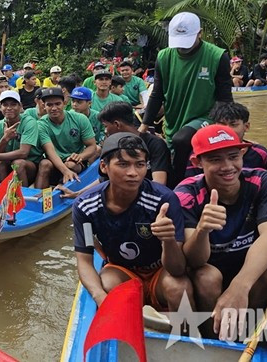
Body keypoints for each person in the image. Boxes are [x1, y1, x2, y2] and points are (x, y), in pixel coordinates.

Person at [176, 125, 267, 340]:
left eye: (233, 157)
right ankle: (214, 337)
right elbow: (194, 260)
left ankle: (245, 329)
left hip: (246, 265)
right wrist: (202, 230)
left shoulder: (263, 181)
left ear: (242, 154)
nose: (227, 167)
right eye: (215, 159)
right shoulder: (186, 194)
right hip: (209, 267)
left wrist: (239, 286)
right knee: (208, 278)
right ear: (197, 163)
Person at [72, 133, 189, 310]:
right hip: (122, 270)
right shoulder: (85, 206)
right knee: (107, 283)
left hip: (161, 271)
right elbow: (85, 260)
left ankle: (181, 326)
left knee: (179, 288)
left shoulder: (163, 200)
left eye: (140, 165)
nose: (133, 173)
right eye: (123, 164)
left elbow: (178, 268)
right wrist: (101, 297)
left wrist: (169, 239)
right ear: (104, 166)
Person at [139, 12, 232, 187]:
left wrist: (224, 127)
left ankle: (180, 186)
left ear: (200, 33)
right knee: (170, 143)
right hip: (174, 118)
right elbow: (157, 93)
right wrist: (144, 125)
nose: (182, 47)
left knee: (180, 140)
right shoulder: (164, 57)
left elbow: (225, 98)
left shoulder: (217, 56)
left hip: (206, 116)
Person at [183, 101, 267, 178]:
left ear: (246, 126)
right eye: (222, 124)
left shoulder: (261, 154)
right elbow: (192, 183)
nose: (227, 130)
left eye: (233, 125)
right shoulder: (200, 154)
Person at [34, 88, 98, 188]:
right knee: (44, 164)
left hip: (75, 162)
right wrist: (65, 171)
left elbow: (92, 146)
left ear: (64, 103)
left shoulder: (80, 119)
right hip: (54, 161)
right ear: (44, 106)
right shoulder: (41, 124)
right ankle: (39, 195)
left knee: (71, 164)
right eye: (49, 105)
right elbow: (50, 151)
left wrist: (80, 156)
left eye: (57, 104)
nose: (54, 108)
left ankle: (65, 191)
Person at [0, 90, 42, 184]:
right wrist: (5, 139)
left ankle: (23, 191)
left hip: (30, 165)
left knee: (18, 163)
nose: (9, 108)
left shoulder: (29, 123)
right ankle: (5, 190)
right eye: (5, 105)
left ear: (20, 106)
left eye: (13, 104)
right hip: (9, 163)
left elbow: (23, 153)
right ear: (0, 107)